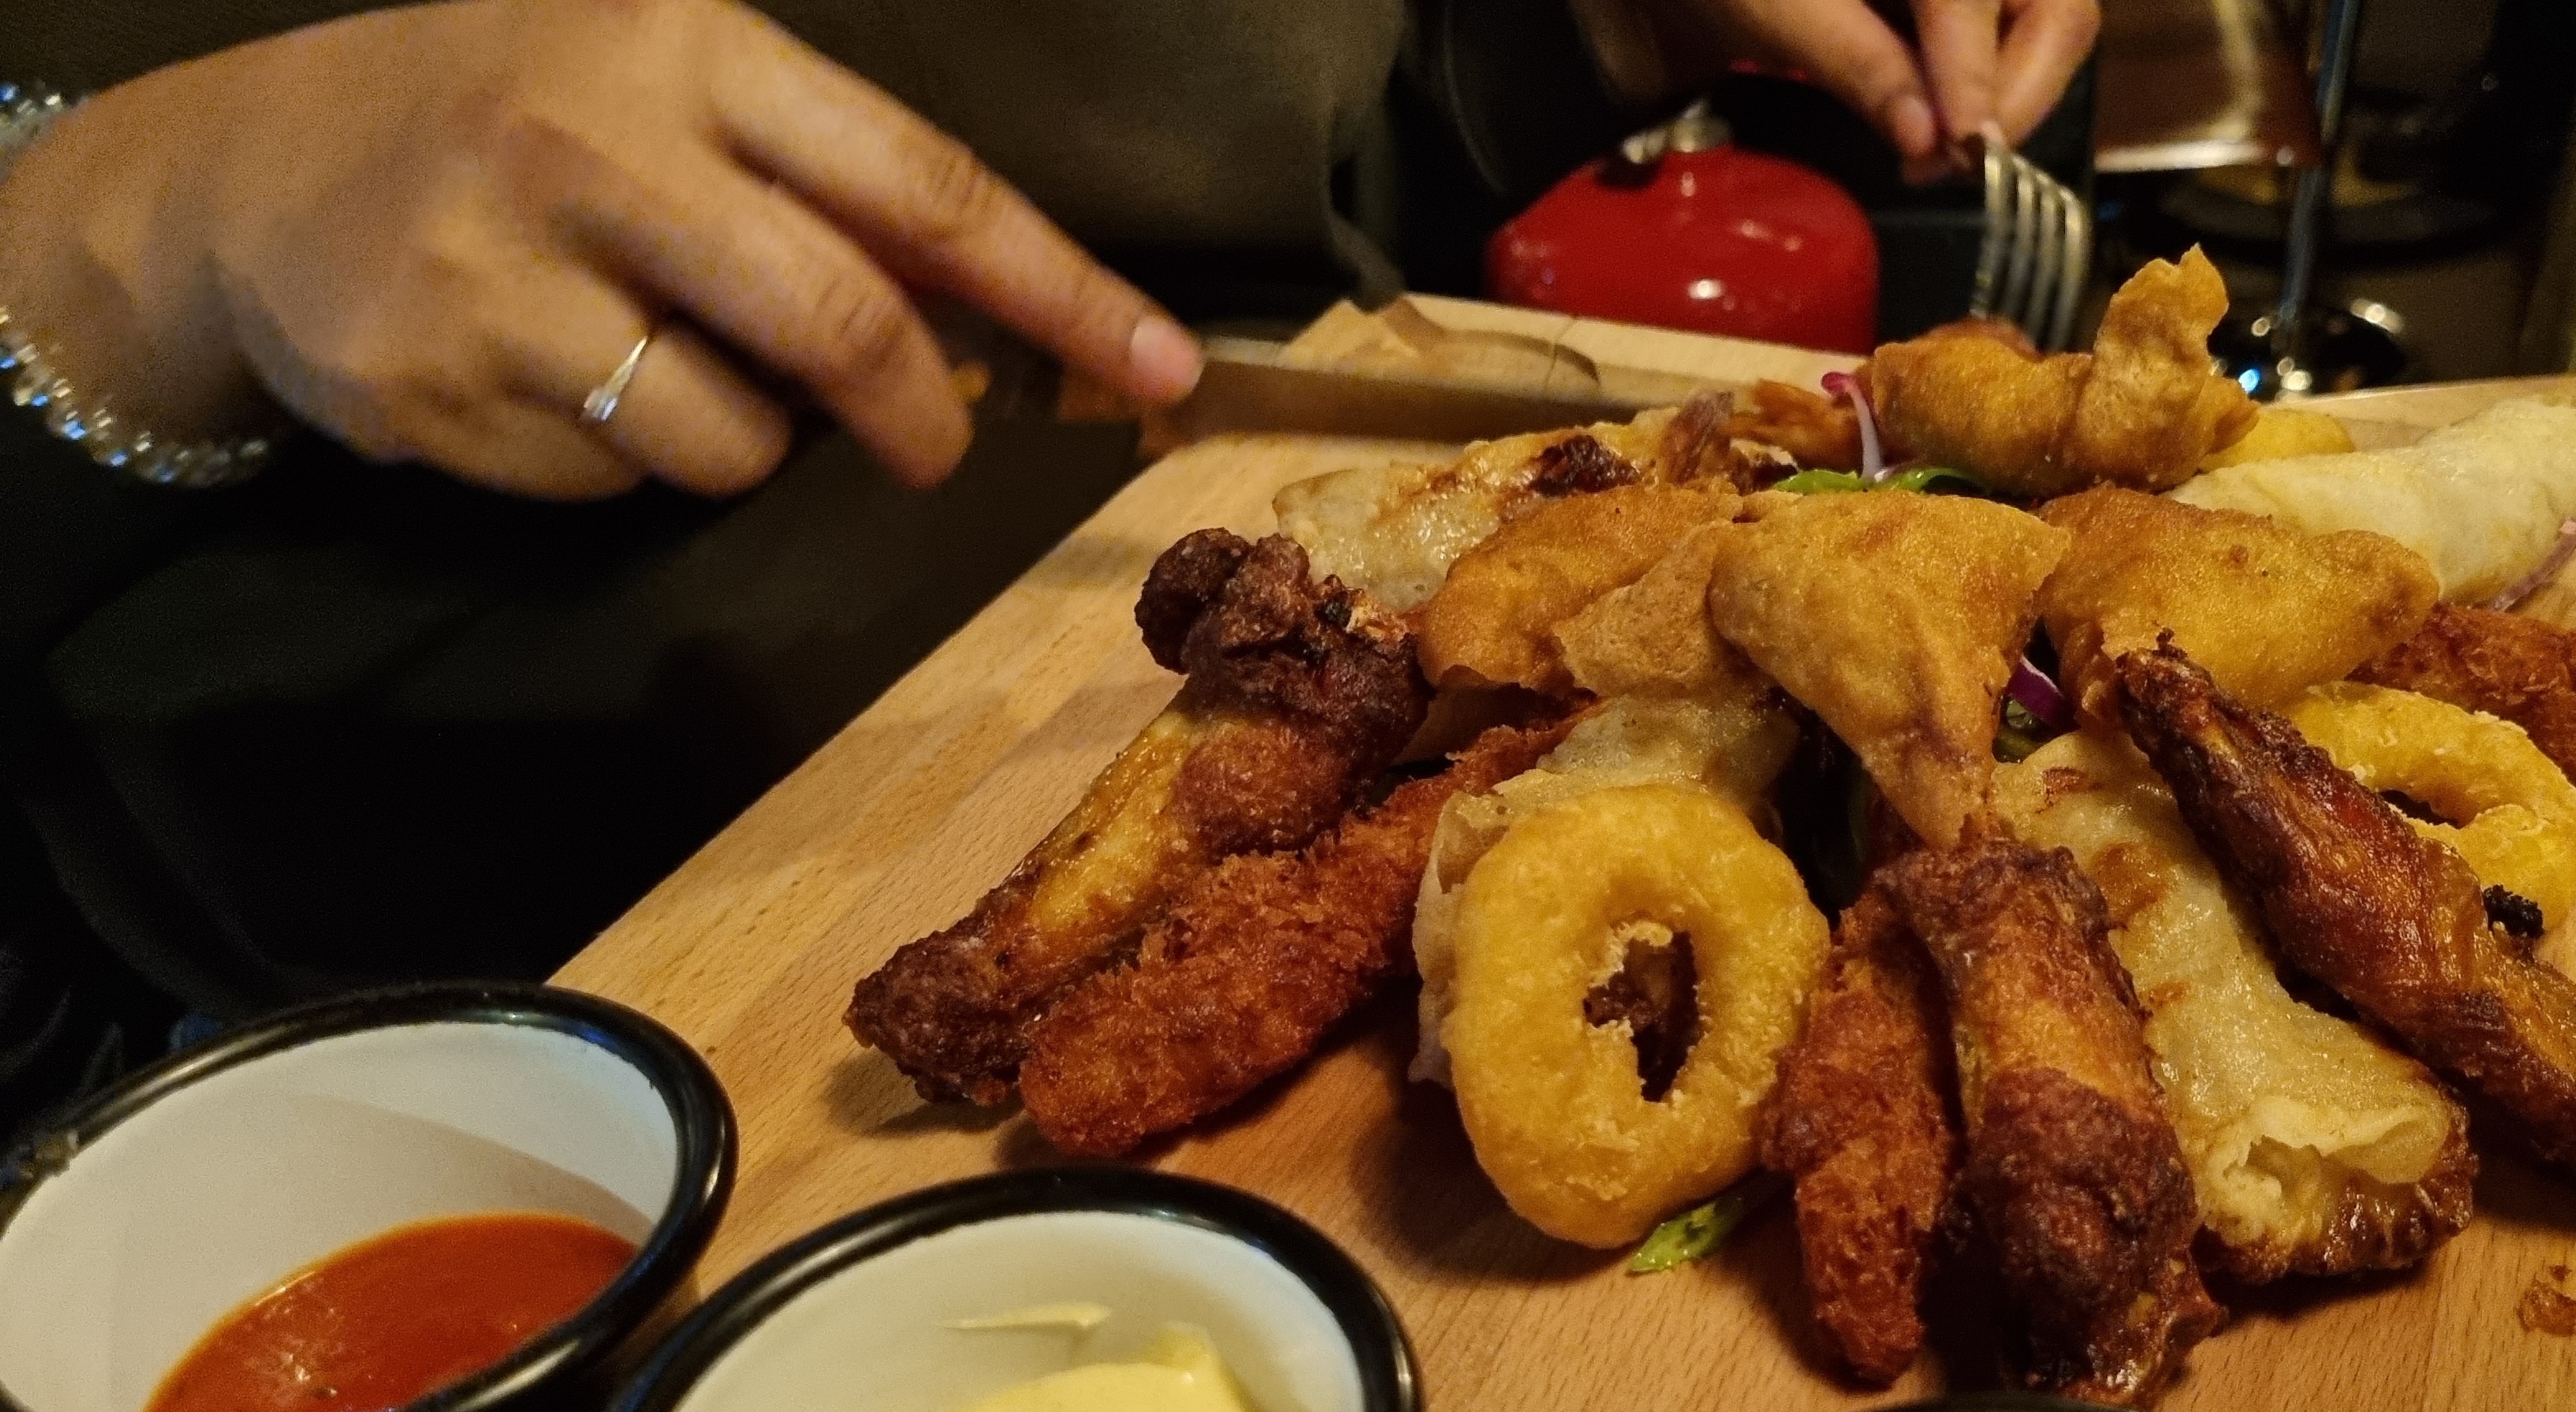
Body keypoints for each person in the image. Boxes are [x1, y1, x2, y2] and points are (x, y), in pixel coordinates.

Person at [0, 0, 2099, 1140]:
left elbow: (1299, 121)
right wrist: (136, 232)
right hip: (422, 1006)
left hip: (1247, 541)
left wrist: (1590, 35)